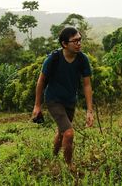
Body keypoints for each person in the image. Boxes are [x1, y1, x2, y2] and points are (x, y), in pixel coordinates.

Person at [32, 27, 94, 167]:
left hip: (70, 101)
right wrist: (37, 105)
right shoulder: (53, 59)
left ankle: (53, 158)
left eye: (80, 40)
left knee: (62, 133)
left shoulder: (82, 59)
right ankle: (68, 166)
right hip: (53, 100)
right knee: (69, 133)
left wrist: (89, 110)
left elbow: (87, 85)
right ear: (64, 44)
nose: (79, 43)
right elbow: (41, 81)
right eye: (75, 41)